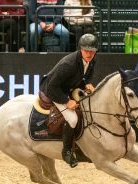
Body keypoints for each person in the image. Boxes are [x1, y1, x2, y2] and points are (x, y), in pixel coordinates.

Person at [39, 33, 98, 167]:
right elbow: (52, 86)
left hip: (68, 87)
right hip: (53, 90)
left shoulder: (92, 60)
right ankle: (66, 152)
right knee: (72, 119)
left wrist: (87, 84)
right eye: (86, 50)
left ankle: (80, 147)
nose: (89, 54)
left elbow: (86, 76)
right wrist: (66, 101)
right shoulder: (69, 64)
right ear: (80, 49)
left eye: (92, 51)